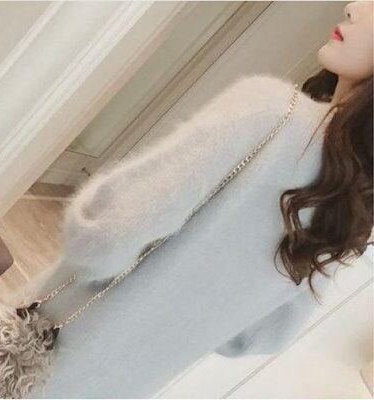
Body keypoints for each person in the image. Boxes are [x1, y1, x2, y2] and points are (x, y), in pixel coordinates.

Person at [30, 1, 373, 397]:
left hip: (41, 358)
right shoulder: (354, 207)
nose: (353, 7)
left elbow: (100, 238)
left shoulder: (272, 111)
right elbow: (259, 336)